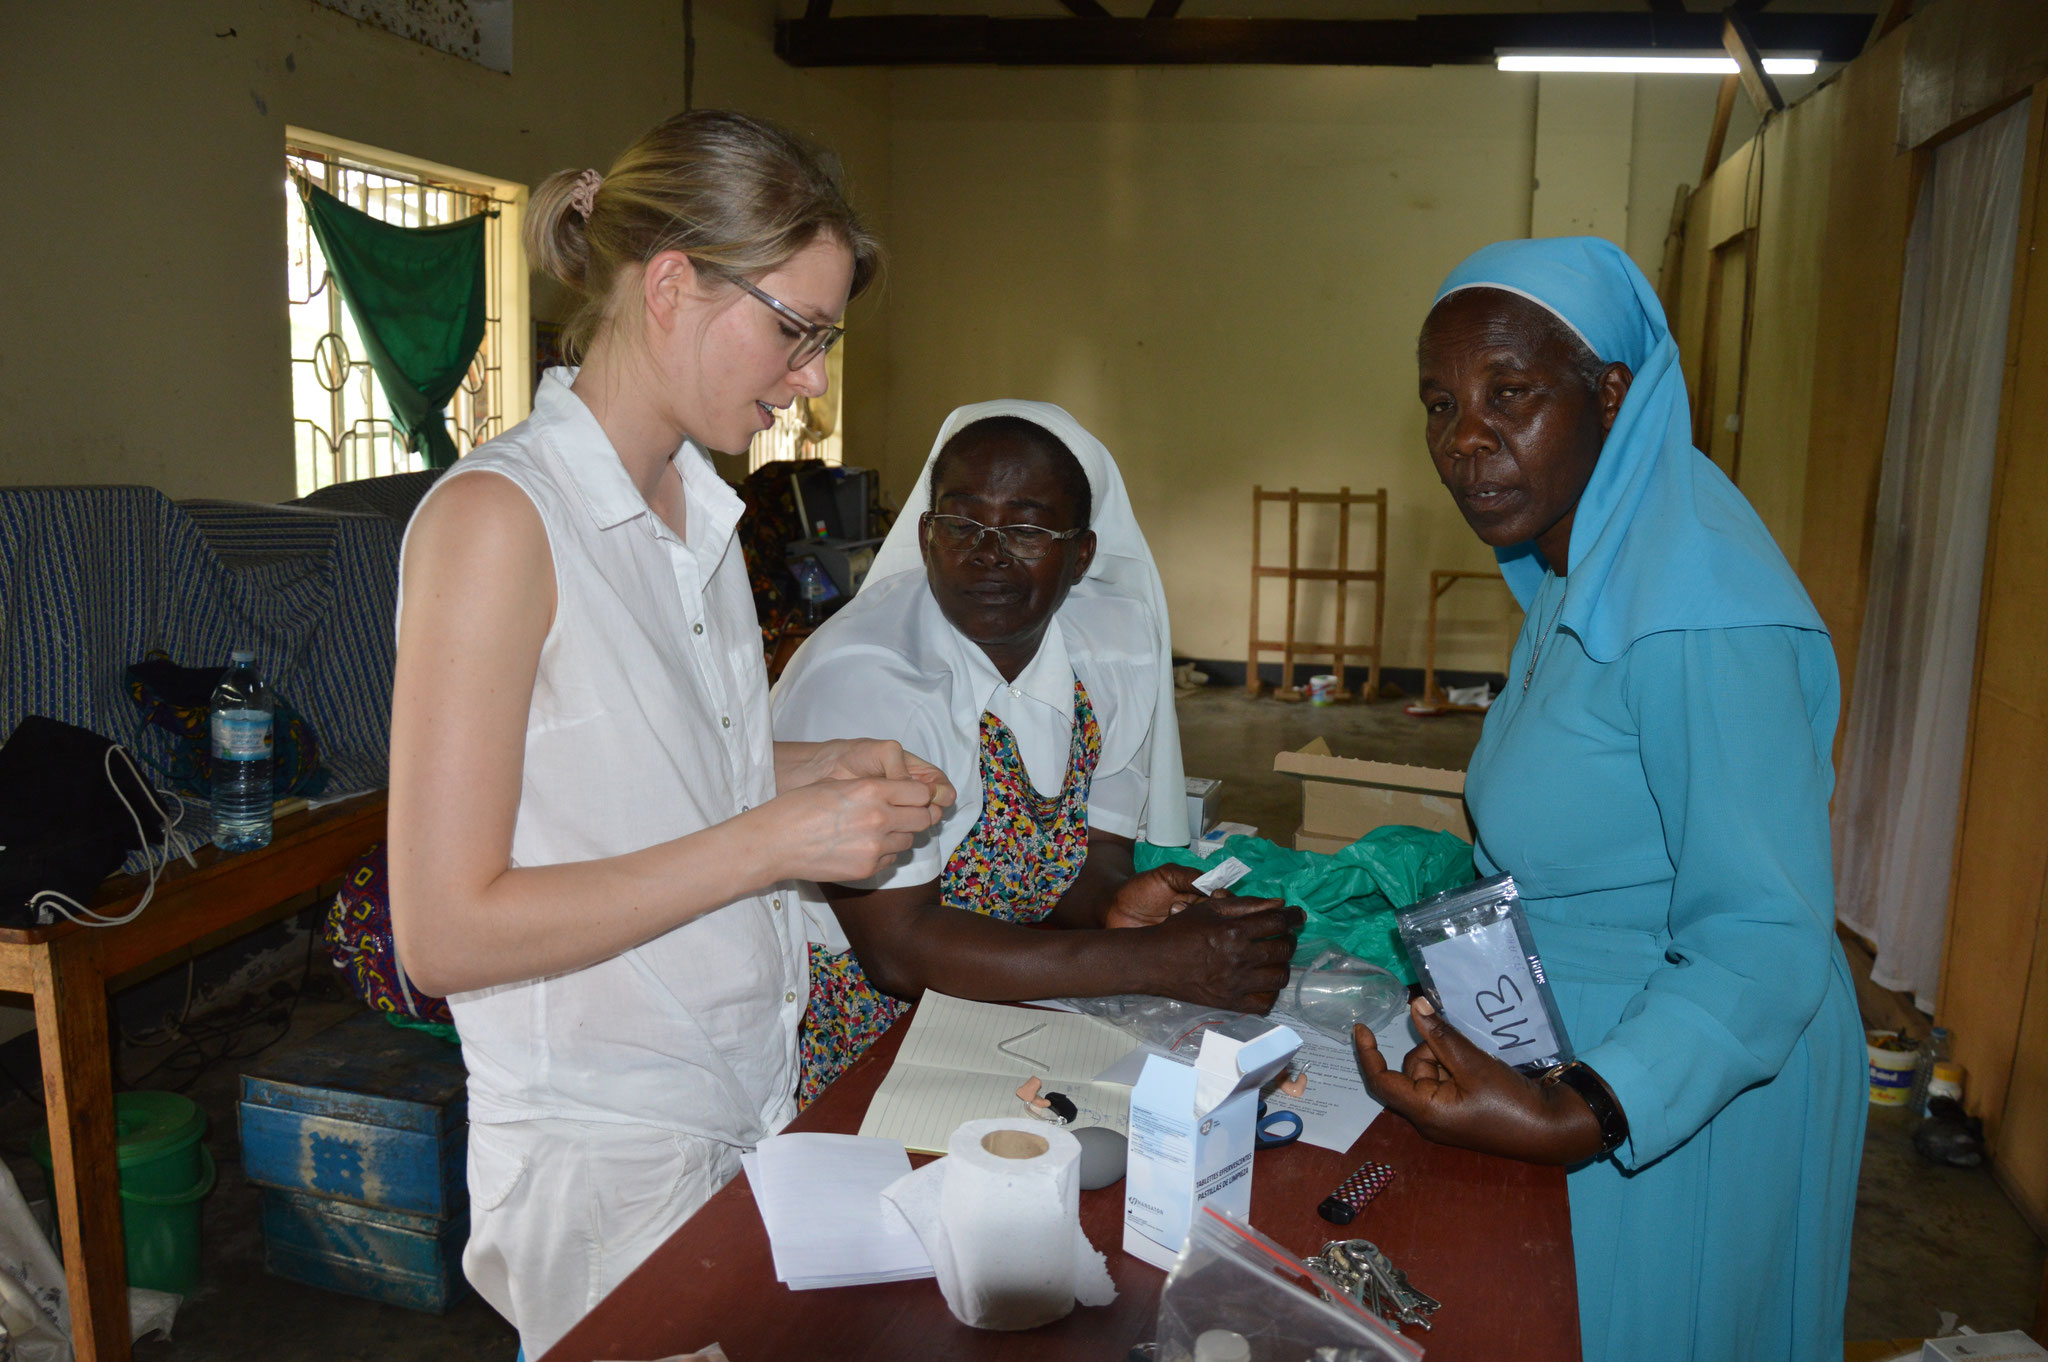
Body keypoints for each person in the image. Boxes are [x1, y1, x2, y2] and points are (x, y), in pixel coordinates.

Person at [385, 110, 953, 1359]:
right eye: (795, 332)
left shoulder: (693, 510)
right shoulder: (501, 523)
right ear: (672, 285)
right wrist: (774, 837)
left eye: (823, 339)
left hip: (734, 1091)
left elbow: (629, 772)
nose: (808, 377)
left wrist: (802, 771)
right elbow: (444, 929)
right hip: (605, 1146)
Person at [1353, 237, 1863, 1362]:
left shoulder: (1696, 612)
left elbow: (1763, 934)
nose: (1464, 441)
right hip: (1587, 1047)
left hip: (1684, 1083)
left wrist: (1579, 1108)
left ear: (1611, 395)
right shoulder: (1585, 565)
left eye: (1509, 396)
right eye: (1440, 405)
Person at [773, 401, 1303, 1100]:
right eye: (962, 524)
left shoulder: (1105, 646)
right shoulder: (875, 680)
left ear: (1080, 553)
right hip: (873, 1038)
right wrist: (1150, 961)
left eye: (1025, 528)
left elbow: (1094, 852)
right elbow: (897, 952)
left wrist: (1116, 905)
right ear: (928, 535)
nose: (987, 553)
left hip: (1022, 999)